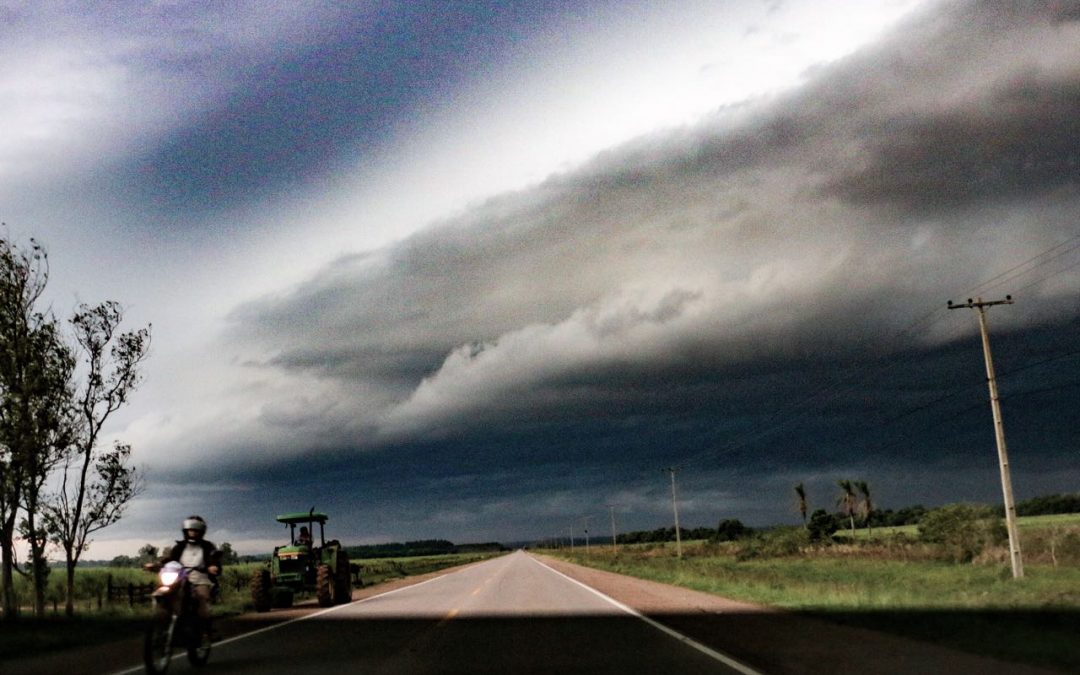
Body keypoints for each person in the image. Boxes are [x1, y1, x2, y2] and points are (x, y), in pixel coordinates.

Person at [165, 515, 222, 641]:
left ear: (201, 532)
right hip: (180, 579)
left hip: (201, 579)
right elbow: (170, 560)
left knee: (202, 599)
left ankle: (208, 631)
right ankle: (166, 628)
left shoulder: (208, 547)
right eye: (190, 530)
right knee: (167, 595)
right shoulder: (179, 547)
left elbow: (214, 561)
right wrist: (157, 565)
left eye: (195, 530)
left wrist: (212, 567)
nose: (192, 533)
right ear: (185, 531)